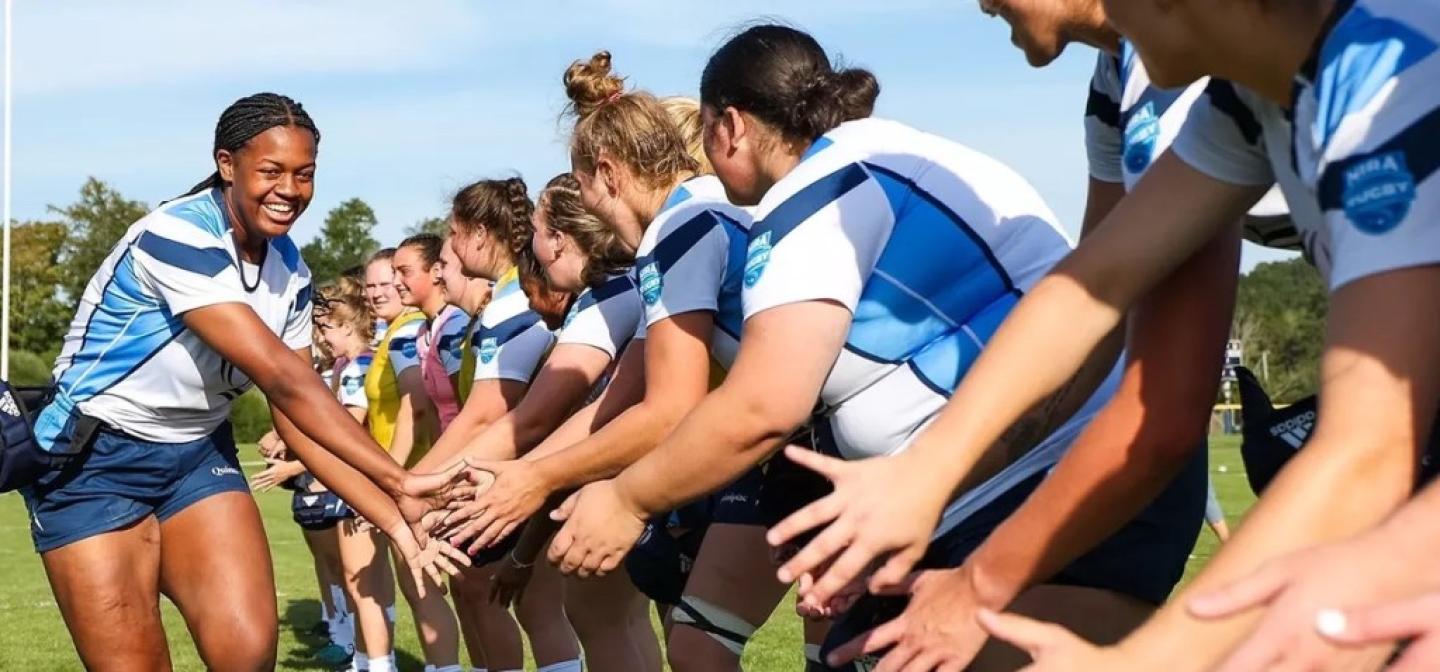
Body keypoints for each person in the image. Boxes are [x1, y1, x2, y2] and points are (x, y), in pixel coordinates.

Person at [779, 0, 1440, 669]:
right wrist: (924, 474)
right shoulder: (1244, 96)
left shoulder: (1394, 64)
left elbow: (1367, 448)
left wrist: (1142, 658)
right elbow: (1092, 283)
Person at [20, 92, 464, 671]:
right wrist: (399, 481)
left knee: (248, 653)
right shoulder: (177, 235)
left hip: (196, 455)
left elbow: (299, 420)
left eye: (304, 175)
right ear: (227, 165)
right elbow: (284, 381)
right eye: (271, 171)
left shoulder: (291, 272)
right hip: (93, 461)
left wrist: (393, 518)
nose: (290, 190)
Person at [433, 173, 660, 672]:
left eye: (535, 228)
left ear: (558, 240)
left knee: (596, 616)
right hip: (635, 476)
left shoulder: (603, 297)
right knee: (632, 620)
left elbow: (535, 419)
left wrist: (433, 485)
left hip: (625, 479)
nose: (527, 243)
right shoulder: (628, 286)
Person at [422, 178, 575, 672]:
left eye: (454, 231)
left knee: (538, 605)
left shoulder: (511, 303)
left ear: (481, 233)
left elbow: (488, 412)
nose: (450, 245)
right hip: (521, 466)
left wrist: (415, 485)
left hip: (526, 470)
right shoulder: (504, 300)